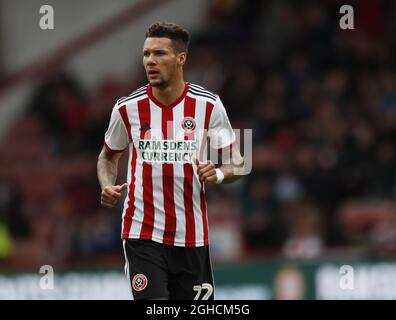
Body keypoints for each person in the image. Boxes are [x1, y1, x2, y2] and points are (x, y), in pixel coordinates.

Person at [97, 21, 244, 300]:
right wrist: (106, 183)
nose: (150, 61)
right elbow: (107, 156)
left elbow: (237, 162)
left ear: (181, 58)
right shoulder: (127, 108)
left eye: (160, 53)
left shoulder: (209, 105)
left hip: (192, 237)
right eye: (146, 54)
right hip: (142, 233)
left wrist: (220, 175)